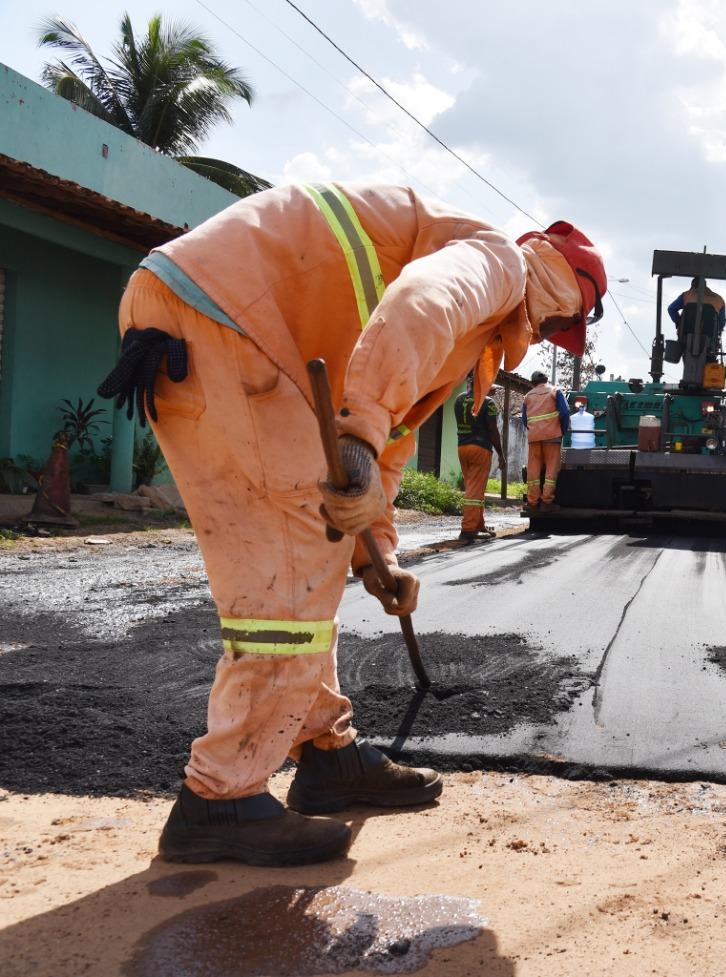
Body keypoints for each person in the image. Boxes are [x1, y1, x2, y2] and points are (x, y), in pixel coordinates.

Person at [98, 183, 605, 866]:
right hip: (224, 311)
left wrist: (380, 556)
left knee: (315, 548)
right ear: (561, 274)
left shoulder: (474, 335)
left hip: (204, 311)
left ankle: (327, 755)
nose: (552, 333)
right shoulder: (497, 261)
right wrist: (359, 430)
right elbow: (416, 307)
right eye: (569, 315)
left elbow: (389, 442)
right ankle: (219, 796)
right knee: (293, 555)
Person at [454, 377, 506, 543]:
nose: (494, 390)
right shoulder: (488, 403)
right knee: (474, 492)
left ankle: (478, 525)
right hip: (480, 449)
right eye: (491, 386)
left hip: (462, 448)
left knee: (474, 489)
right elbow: (493, 430)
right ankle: (468, 528)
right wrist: (501, 454)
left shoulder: (458, 399)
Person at [522, 370, 570, 508]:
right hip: (552, 437)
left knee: (533, 470)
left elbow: (525, 419)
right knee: (551, 469)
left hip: (534, 438)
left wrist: (534, 430)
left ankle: (532, 501)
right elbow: (565, 412)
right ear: (546, 380)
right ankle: (547, 501)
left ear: (533, 383)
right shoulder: (555, 391)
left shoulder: (527, 396)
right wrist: (562, 430)